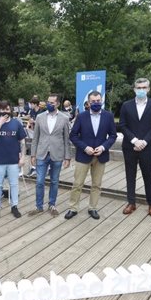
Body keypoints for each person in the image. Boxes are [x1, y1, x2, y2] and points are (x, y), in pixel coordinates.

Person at [64, 91, 118, 220]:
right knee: (77, 184)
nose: (96, 103)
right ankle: (73, 208)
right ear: (88, 103)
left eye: (98, 100)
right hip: (83, 155)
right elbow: (73, 135)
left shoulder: (108, 116)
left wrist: (103, 147)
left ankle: (92, 208)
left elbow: (113, 135)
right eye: (93, 101)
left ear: (101, 101)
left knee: (97, 184)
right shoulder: (81, 117)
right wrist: (85, 147)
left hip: (101, 155)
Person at [119, 77, 151, 217]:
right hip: (130, 146)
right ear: (134, 89)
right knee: (130, 175)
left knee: (148, 175)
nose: (141, 90)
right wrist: (134, 140)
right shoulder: (126, 105)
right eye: (139, 88)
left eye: (144, 88)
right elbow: (122, 125)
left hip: (147, 146)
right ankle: (131, 202)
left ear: (148, 89)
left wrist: (144, 141)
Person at [30, 94, 71, 216]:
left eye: (52, 103)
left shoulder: (64, 118)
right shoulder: (40, 117)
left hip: (57, 154)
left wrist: (67, 157)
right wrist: (33, 154)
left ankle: (52, 205)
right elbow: (35, 137)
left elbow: (66, 139)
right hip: (41, 153)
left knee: (54, 181)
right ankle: (39, 206)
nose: (49, 104)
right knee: (39, 181)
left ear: (57, 104)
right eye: (48, 102)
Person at [0, 101, 27, 219]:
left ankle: (14, 206)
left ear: (11, 110)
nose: (5, 112)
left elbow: (23, 142)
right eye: (3, 109)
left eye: (7, 109)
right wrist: (0, 123)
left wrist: (23, 157)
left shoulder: (17, 123)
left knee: (14, 184)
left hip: (14, 160)